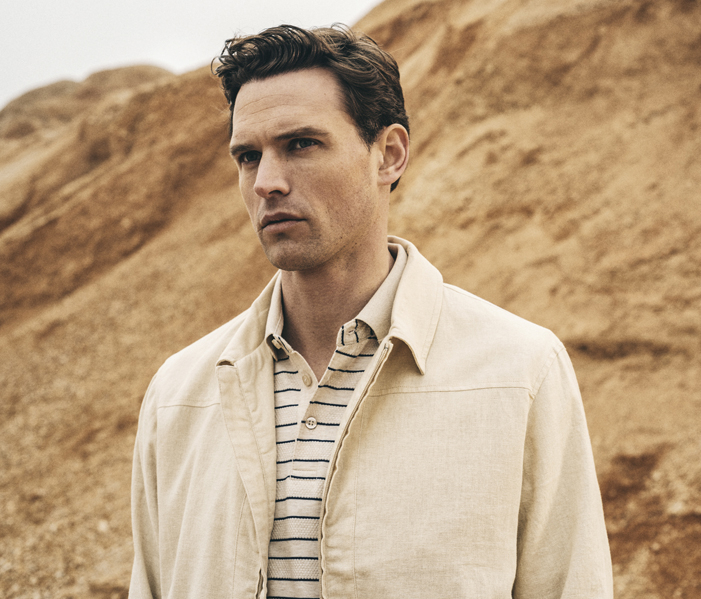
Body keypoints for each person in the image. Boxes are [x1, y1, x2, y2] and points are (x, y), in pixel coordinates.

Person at [129, 24, 613, 599]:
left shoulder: (520, 371)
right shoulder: (179, 394)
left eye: (301, 144)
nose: (267, 183)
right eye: (248, 156)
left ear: (389, 155)